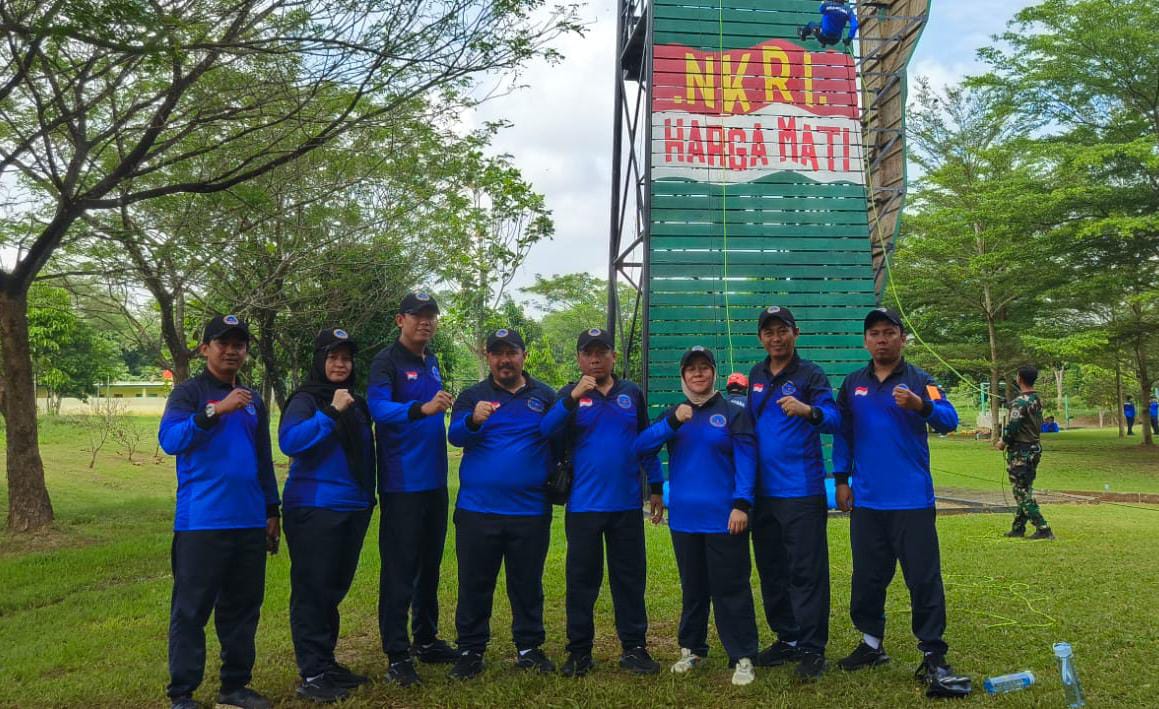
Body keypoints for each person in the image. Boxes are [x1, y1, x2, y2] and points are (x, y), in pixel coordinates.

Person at [831, 307, 972, 699]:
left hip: (911, 500)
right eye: (875, 333)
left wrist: (921, 406)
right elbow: (843, 433)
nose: (882, 339)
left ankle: (933, 653)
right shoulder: (852, 383)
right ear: (866, 341)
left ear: (902, 338)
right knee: (867, 576)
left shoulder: (921, 381)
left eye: (889, 332)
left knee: (923, 578)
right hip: (868, 500)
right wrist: (841, 480)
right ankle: (871, 644)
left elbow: (950, 419)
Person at [158, 314, 280, 709]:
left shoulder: (252, 400)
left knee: (243, 609)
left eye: (239, 345)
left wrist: (272, 509)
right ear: (204, 348)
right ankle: (182, 693)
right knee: (191, 611)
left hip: (249, 520)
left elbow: (263, 459)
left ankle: (235, 686)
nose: (231, 351)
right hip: (202, 522)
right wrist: (216, 410)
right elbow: (170, 440)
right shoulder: (189, 393)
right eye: (223, 343)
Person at [539, 328, 665, 677]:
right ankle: (579, 652)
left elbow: (645, 442)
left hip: (626, 505)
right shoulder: (569, 394)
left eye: (602, 352)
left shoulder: (631, 393)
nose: (595, 359)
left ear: (613, 356)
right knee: (582, 582)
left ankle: (634, 648)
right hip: (584, 506)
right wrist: (572, 397)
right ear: (579, 358)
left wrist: (656, 486)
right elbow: (545, 430)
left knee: (629, 580)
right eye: (588, 353)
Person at [634, 346, 760, 687]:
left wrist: (742, 504)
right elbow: (641, 446)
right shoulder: (674, 414)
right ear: (683, 376)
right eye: (691, 369)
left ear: (714, 373)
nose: (698, 373)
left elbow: (747, 460)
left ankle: (743, 655)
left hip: (725, 518)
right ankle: (692, 649)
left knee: (731, 587)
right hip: (685, 519)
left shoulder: (733, 411)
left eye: (705, 367)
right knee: (693, 588)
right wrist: (673, 422)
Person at [446, 328, 559, 679]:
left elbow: (559, 438)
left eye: (511, 352)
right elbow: (455, 435)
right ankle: (470, 650)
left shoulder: (545, 395)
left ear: (524, 355)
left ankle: (529, 647)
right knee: (474, 584)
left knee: (527, 584)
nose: (504, 360)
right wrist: (473, 419)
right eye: (497, 353)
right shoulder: (472, 396)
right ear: (488, 357)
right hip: (477, 510)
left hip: (530, 510)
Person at [279, 328, 377, 701]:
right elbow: (290, 442)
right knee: (312, 590)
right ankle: (313, 673)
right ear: (320, 360)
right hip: (315, 506)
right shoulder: (307, 399)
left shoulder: (357, 402)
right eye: (333, 357)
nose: (340, 364)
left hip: (352, 507)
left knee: (332, 589)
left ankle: (326, 662)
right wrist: (331, 411)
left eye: (346, 358)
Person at [746, 306, 840, 681]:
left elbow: (834, 419)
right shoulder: (756, 374)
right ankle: (787, 638)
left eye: (782, 330)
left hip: (801, 491)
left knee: (806, 572)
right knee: (772, 570)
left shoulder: (810, 374)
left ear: (795, 333)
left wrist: (808, 410)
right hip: (763, 492)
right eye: (768, 332)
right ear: (761, 338)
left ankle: (812, 649)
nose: (776, 338)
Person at [368, 292, 457, 686]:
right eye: (417, 315)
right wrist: (421, 408)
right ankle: (397, 654)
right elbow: (377, 408)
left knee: (429, 566)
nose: (425, 322)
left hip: (435, 481)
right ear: (399, 319)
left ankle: (425, 638)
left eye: (431, 315)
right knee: (400, 569)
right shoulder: (386, 362)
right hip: (402, 483)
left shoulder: (431, 361)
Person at [996, 365, 1053, 541]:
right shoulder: (1036, 399)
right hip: (1034, 449)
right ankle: (1018, 528)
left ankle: (1043, 527)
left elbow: (1013, 426)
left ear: (1019, 378)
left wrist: (1003, 442)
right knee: (1025, 488)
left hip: (1021, 451)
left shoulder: (1020, 402)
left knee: (1020, 492)